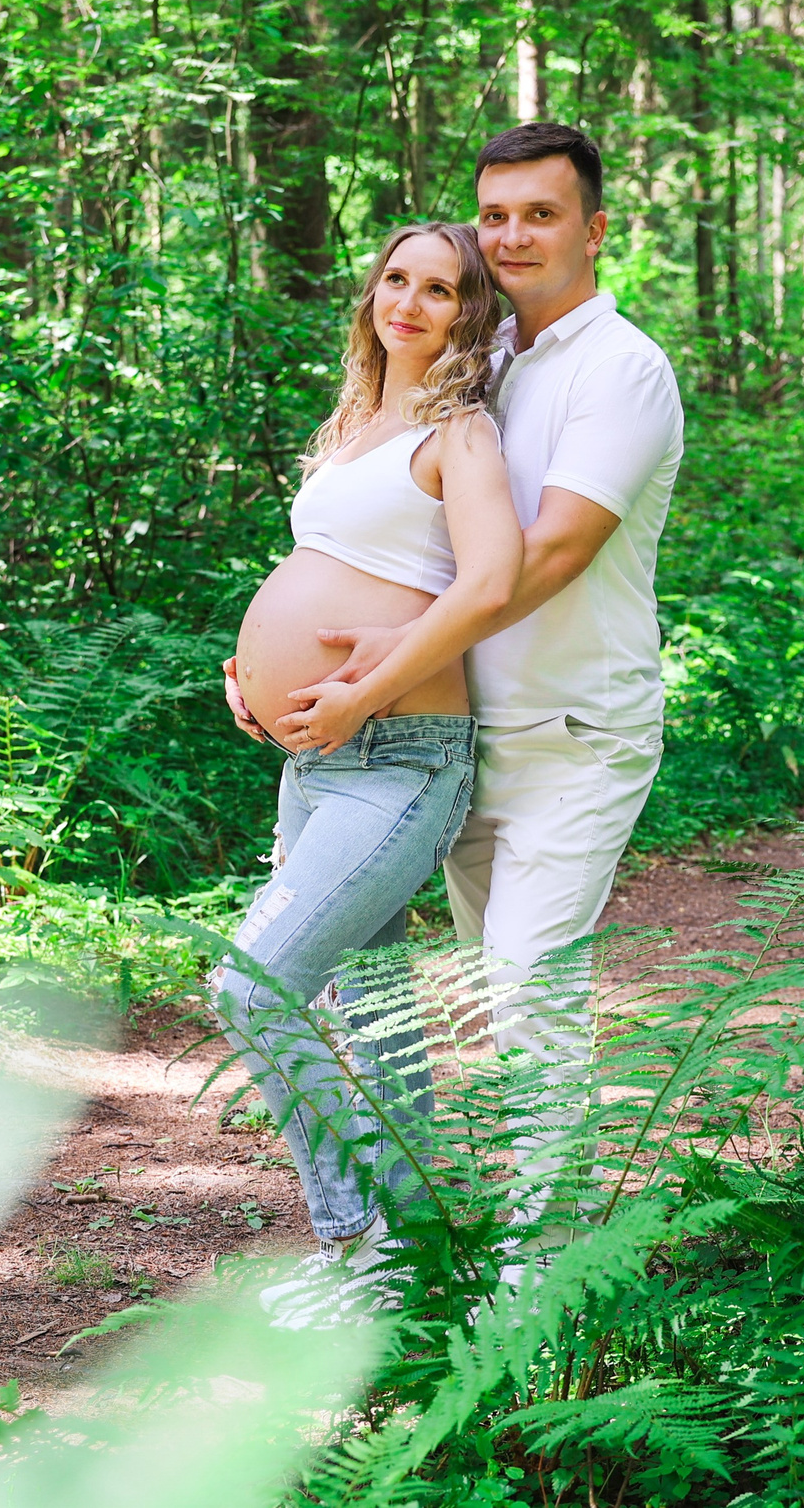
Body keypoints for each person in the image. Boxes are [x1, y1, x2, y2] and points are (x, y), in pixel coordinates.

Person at [248, 123, 686, 1255]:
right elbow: (393, 545)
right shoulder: (486, 366)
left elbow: (535, 564)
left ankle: (535, 1272)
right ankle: (429, 1243)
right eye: (496, 215)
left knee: (523, 991)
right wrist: (272, 669)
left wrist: (361, 681)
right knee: (405, 1002)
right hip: (462, 733)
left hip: (573, 732)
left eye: (541, 214)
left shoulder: (620, 369)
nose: (513, 235)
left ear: (592, 229)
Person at [212, 221, 523, 1320]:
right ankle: (419, 1259)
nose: (411, 301)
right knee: (379, 1016)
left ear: (468, 317)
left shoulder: (460, 433)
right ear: (372, 295)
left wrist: (357, 689)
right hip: (312, 766)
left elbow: (487, 585)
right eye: (397, 279)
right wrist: (249, 672)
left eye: (440, 290)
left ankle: (355, 1239)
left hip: (398, 760)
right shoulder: (353, 424)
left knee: (249, 982)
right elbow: (326, 566)